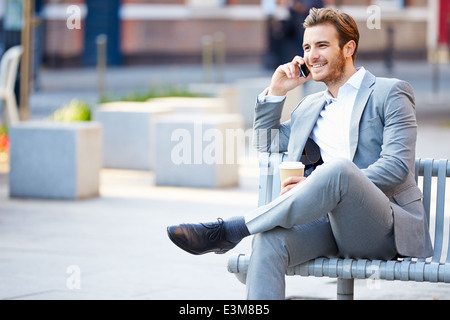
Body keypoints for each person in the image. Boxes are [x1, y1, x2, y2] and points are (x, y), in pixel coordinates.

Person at [167, 8, 433, 300]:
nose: (312, 55)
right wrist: (276, 90)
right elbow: (266, 142)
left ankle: (232, 229)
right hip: (328, 228)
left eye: (322, 45)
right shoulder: (309, 107)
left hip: (382, 229)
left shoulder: (390, 93)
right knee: (268, 241)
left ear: (348, 48)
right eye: (307, 47)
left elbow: (395, 168)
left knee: (339, 170)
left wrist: (314, 181)